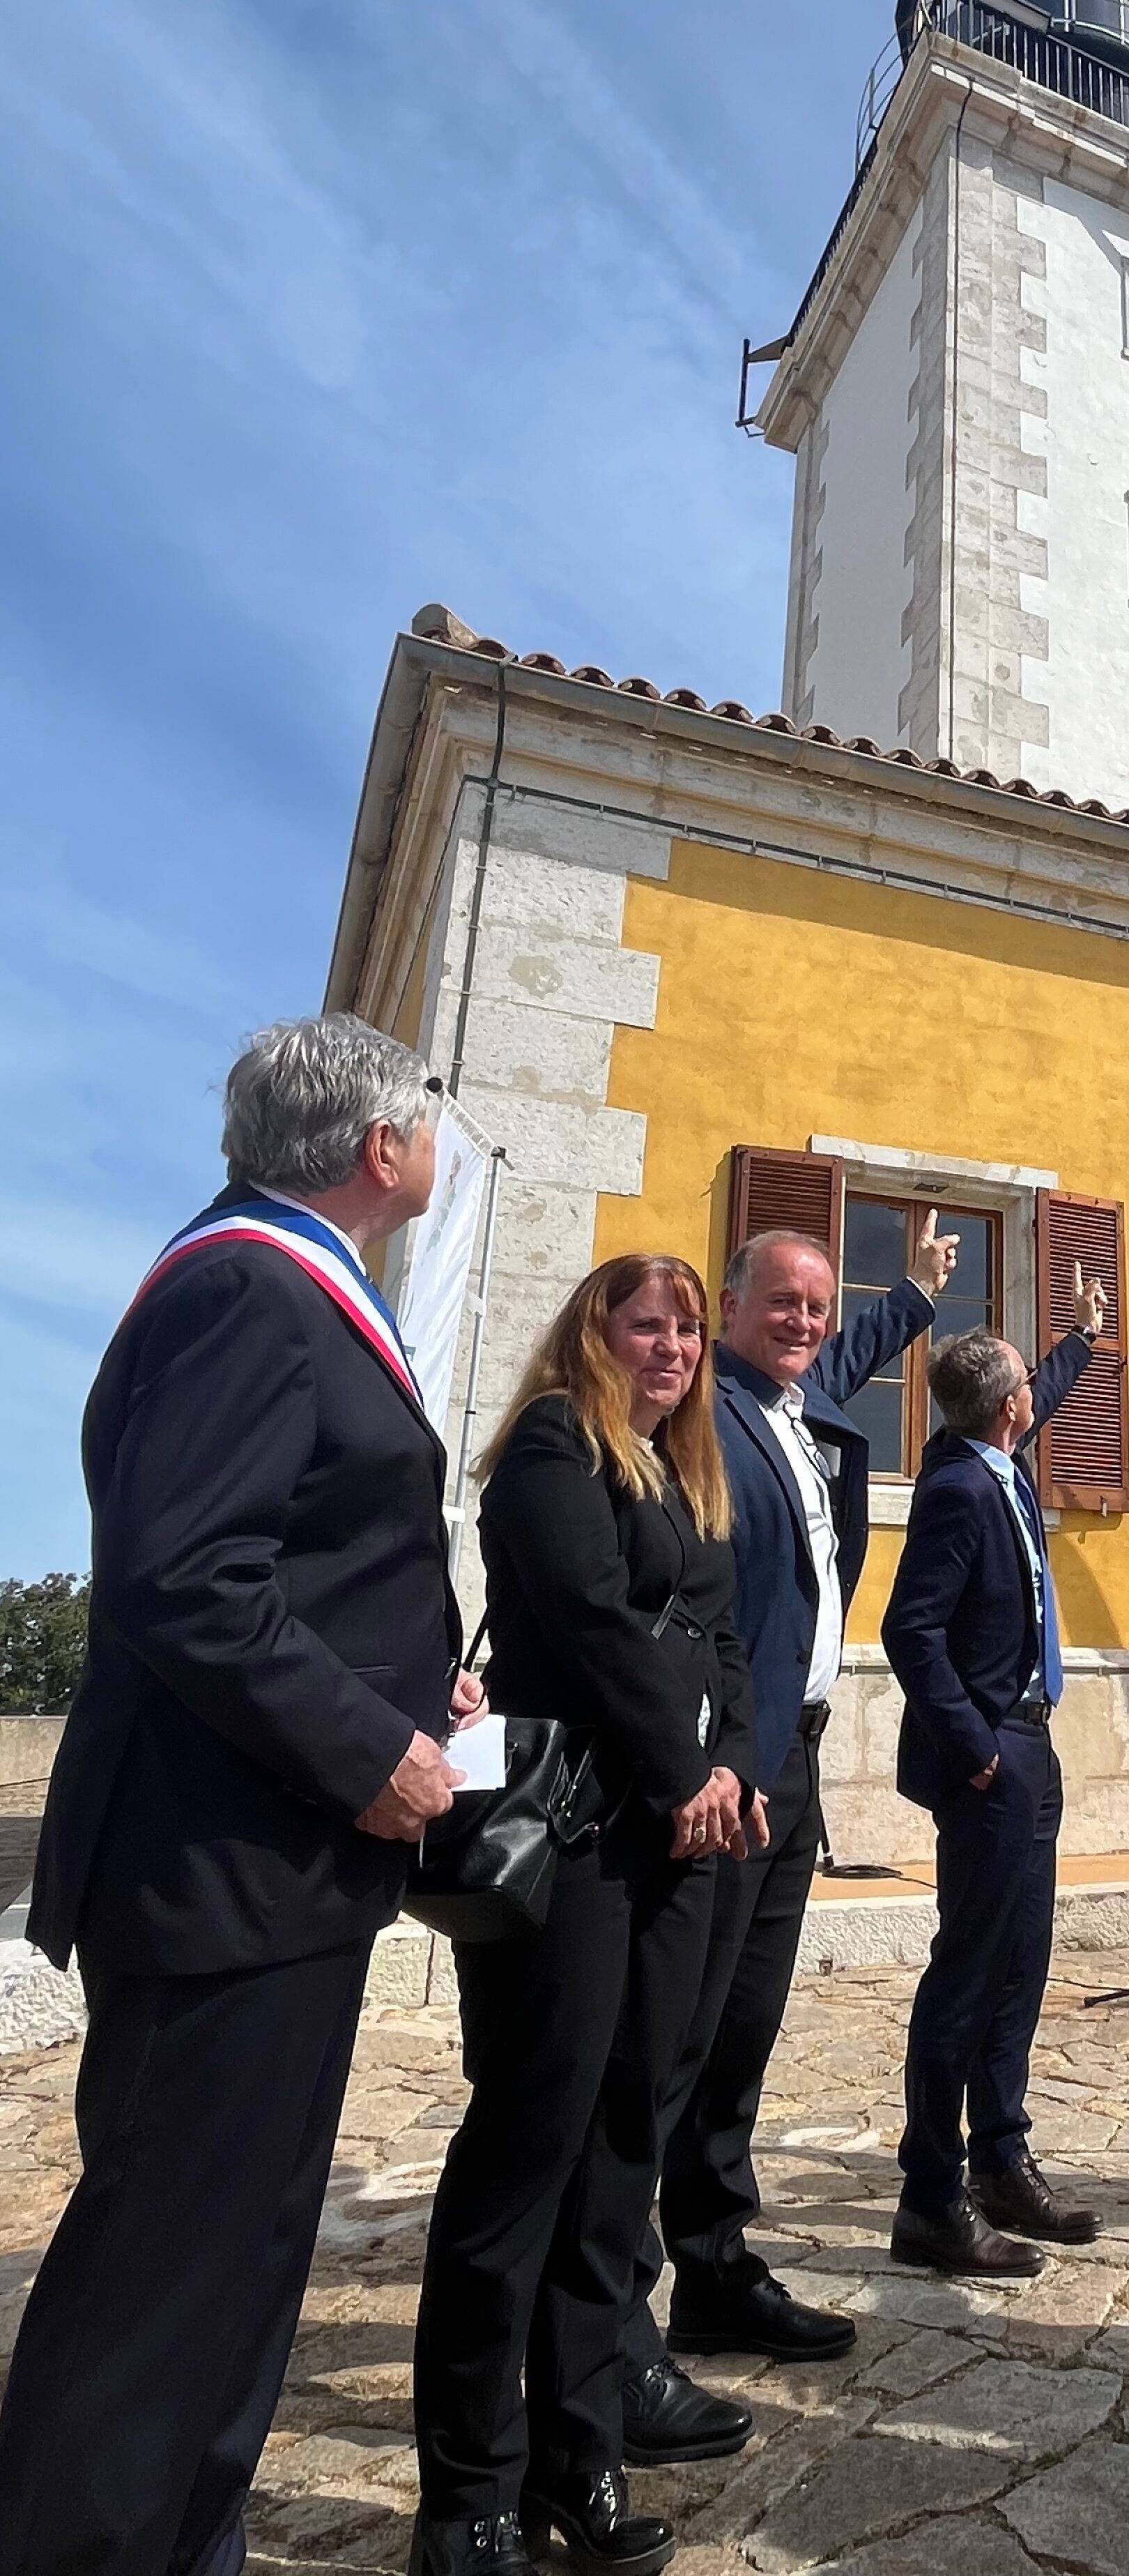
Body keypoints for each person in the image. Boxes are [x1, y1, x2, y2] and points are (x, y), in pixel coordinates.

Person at [0, 1014, 467, 2576]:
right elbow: (184, 1572)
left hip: (268, 1872)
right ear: (378, 1146)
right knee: (164, 2283)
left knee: (239, 2262)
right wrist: (369, 1746)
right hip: (224, 1871)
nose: (436, 1143)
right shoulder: (251, 1292)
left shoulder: (275, 1284)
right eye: (427, 1120)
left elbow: (291, 1564)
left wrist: (419, 1688)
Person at [624, 1225, 1104, 2398]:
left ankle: (715, 2263)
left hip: (789, 1755)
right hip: (725, 1760)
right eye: (774, 1303)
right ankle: (622, 2301)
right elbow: (909, 1627)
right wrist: (976, 1748)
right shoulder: (711, 1412)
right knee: (678, 2034)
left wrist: (919, 1294)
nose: (802, 1322)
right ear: (726, 1305)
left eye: (817, 1307)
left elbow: (860, 1355)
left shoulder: (794, 1403)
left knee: (739, 2027)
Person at [412, 1254, 760, 2576]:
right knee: (528, 2148)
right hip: (574, 1842)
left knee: (624, 2149)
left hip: (676, 1841)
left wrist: (727, 1768)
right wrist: (685, 1772)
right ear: (593, 1331)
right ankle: (466, 2494)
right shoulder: (557, 1444)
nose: (669, 1345)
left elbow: (718, 1634)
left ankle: (578, 2454)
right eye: (646, 1322)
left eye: (683, 1327)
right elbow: (592, 1620)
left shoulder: (689, 1469)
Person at [881, 1323, 1109, 2274]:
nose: (1035, 1398)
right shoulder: (956, 1489)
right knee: (968, 1973)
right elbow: (910, 1630)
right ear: (1008, 1408)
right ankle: (931, 2195)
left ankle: (1001, 2160)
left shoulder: (999, 1458)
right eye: (1029, 1389)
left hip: (1030, 1740)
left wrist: (1080, 1342)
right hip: (991, 1755)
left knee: (1020, 1963)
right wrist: (973, 1749)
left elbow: (1038, 1390)